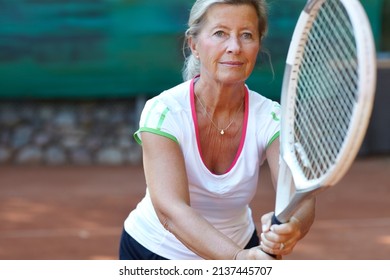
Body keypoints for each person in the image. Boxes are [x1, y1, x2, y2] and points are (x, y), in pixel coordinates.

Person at [119, 0, 316, 260]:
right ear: (194, 45)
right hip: (156, 251)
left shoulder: (272, 118)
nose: (234, 47)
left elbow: (299, 197)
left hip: (242, 245)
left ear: (258, 45)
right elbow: (171, 210)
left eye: (246, 35)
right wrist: (238, 260)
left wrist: (293, 226)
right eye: (220, 33)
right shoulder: (163, 112)